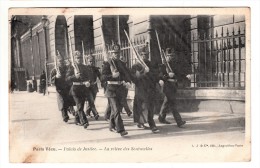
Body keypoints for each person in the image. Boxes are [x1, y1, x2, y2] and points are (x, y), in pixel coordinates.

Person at [101, 44, 132, 136]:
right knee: (116, 110)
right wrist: (112, 76)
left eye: (118, 53)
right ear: (111, 53)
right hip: (111, 90)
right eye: (114, 53)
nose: (116, 55)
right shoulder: (107, 63)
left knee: (116, 109)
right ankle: (121, 129)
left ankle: (111, 126)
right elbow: (102, 77)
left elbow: (126, 75)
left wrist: (128, 82)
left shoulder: (122, 63)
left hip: (120, 89)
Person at [158, 48, 191, 127]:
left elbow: (179, 74)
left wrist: (186, 76)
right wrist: (167, 75)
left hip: (173, 86)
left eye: (172, 55)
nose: (170, 57)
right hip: (167, 86)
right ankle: (179, 122)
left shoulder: (174, 64)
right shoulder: (163, 65)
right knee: (173, 104)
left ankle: (161, 118)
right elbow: (160, 76)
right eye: (168, 56)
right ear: (165, 56)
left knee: (166, 102)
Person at [131, 46, 160, 133]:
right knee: (141, 107)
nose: (144, 56)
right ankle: (141, 122)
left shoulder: (152, 64)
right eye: (142, 55)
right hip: (140, 89)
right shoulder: (135, 66)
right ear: (139, 56)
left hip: (150, 89)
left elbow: (156, 76)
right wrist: (144, 72)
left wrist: (151, 74)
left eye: (146, 55)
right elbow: (135, 79)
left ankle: (151, 124)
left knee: (150, 106)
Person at [66, 50, 98, 129]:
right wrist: (74, 76)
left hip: (83, 89)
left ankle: (76, 119)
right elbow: (67, 79)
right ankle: (84, 122)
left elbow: (88, 76)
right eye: (77, 58)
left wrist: (88, 82)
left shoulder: (84, 67)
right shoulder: (71, 67)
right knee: (80, 106)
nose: (79, 59)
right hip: (75, 89)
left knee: (81, 106)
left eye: (80, 58)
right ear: (74, 58)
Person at [50, 52, 75, 123]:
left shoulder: (67, 68)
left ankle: (70, 110)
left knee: (68, 101)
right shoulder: (54, 70)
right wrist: (56, 77)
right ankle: (65, 116)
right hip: (59, 89)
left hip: (67, 88)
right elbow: (51, 81)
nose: (61, 62)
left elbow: (71, 73)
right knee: (62, 102)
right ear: (57, 62)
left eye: (62, 61)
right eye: (60, 61)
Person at [85, 54, 100, 120]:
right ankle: (95, 113)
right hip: (88, 87)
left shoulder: (95, 69)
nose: (91, 63)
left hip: (94, 86)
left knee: (92, 100)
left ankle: (87, 112)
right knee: (91, 100)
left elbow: (100, 76)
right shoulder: (85, 69)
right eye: (90, 61)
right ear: (87, 61)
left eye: (92, 61)